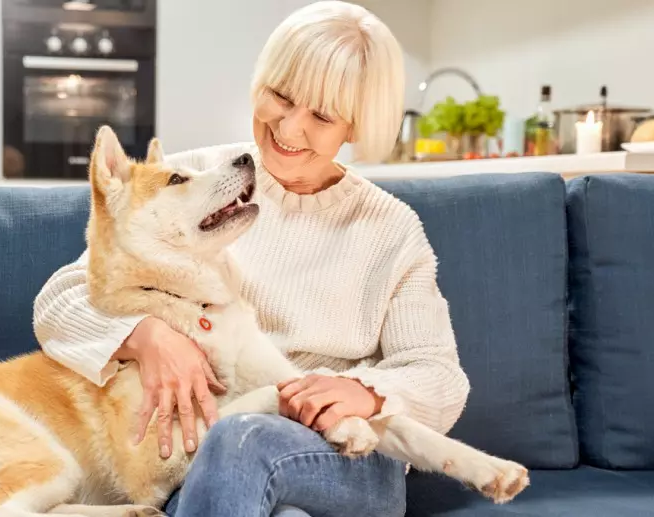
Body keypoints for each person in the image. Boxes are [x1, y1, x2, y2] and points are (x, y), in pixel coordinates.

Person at [32, 2, 470, 516]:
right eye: (281, 96)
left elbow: (438, 373)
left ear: (355, 127)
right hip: (214, 455)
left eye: (322, 116)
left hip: (344, 458)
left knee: (242, 440)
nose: (290, 127)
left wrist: (365, 392)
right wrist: (145, 336)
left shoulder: (392, 229)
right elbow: (62, 299)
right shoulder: (194, 178)